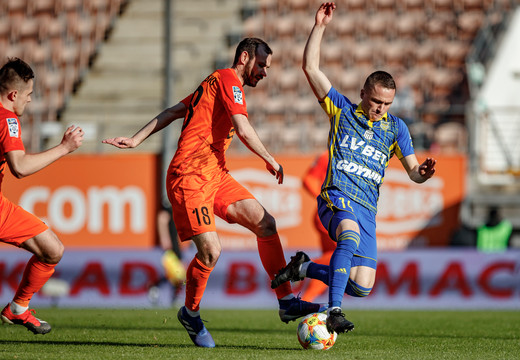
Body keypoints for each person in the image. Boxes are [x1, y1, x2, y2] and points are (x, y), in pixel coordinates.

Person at [103, 38, 325, 348]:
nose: (264, 72)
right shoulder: (227, 78)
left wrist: (137, 138)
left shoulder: (213, 85)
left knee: (266, 224)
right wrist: (270, 159)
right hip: (189, 176)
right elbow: (243, 128)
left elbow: (174, 111)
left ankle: (286, 300)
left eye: (267, 68)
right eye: (261, 65)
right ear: (244, 57)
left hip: (215, 175)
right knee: (211, 251)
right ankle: (190, 313)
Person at [271, 3, 437, 335]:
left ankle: (303, 267)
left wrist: (423, 174)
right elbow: (310, 67)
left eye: (387, 104)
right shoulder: (341, 111)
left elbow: (413, 173)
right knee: (348, 236)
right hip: (336, 198)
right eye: (376, 101)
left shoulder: (397, 129)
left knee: (362, 285)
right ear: (363, 94)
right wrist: (319, 26)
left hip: (367, 210)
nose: (381, 109)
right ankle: (333, 311)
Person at [0, 58, 84, 334]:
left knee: (52, 249)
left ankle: (18, 308)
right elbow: (20, 168)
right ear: (13, 95)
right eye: (28, 96)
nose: (29, 102)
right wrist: (64, 148)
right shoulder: (8, 120)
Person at [300, 150, 336, 302]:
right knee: (345, 257)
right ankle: (301, 266)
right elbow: (308, 179)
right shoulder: (328, 155)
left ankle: (305, 301)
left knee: (331, 265)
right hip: (332, 214)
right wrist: (326, 200)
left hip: (330, 215)